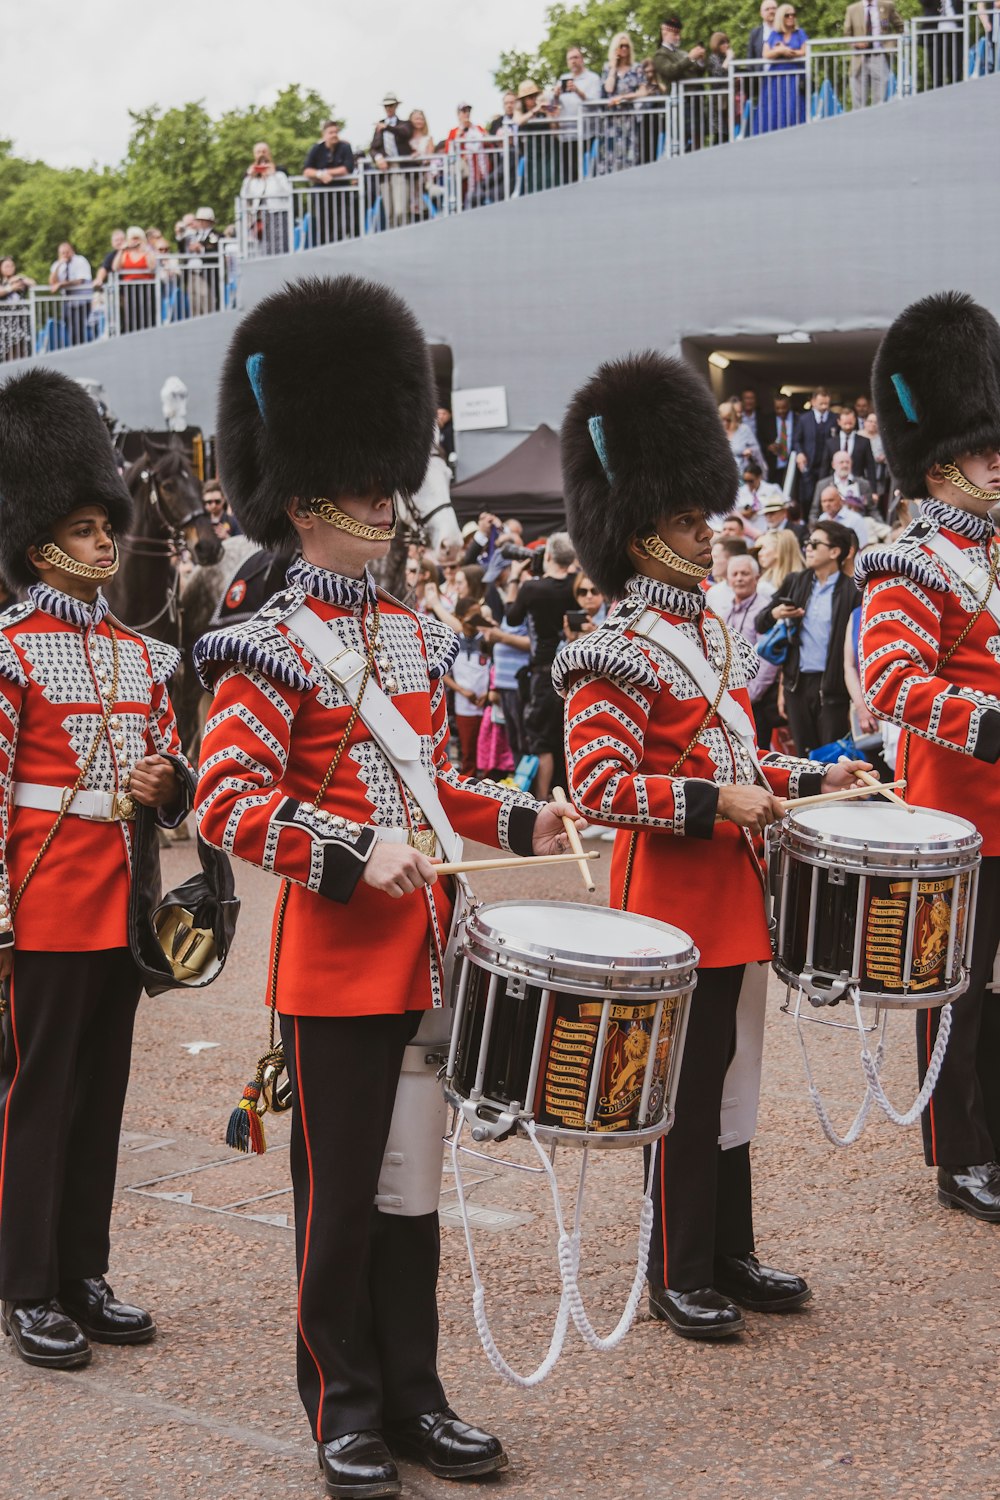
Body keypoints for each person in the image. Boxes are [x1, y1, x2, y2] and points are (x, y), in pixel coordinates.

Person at [194, 274, 579, 1498]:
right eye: (367, 490)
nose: (388, 504)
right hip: (335, 964)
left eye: (386, 481)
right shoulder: (265, 640)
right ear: (305, 503)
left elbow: (433, 790)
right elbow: (226, 800)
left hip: (426, 956)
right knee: (342, 1203)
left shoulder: (412, 635)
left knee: (415, 1194)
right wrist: (354, 854)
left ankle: (415, 1394)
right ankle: (341, 1406)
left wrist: (521, 811)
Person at [555, 350, 866, 1341]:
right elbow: (601, 787)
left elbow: (741, 758)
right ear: (641, 533)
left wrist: (813, 777)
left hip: (728, 892)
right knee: (681, 1088)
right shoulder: (616, 646)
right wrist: (716, 802)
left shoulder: (708, 634)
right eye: (691, 521)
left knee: (731, 1076)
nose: (709, 532)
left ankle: (727, 1249)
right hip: (671, 894)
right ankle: (674, 1266)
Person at [0, 369, 192, 1372]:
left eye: (104, 526)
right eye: (82, 530)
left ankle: (83, 1269)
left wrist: (169, 782)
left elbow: (174, 772)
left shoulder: (141, 655)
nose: (104, 542)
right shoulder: (11, 652)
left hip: (121, 901)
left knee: (101, 1095)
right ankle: (25, 1284)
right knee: (40, 1094)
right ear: (39, 546)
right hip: (42, 903)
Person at [859, 290, 1000, 1222]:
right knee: (959, 989)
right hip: (956, 809)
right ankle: (962, 1155)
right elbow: (893, 681)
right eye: (990, 451)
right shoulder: (912, 562)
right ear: (944, 463)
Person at [756, 518, 859, 754]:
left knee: (834, 757)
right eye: (807, 543)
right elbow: (761, 622)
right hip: (797, 686)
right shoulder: (796, 581)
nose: (808, 548)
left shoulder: (852, 590)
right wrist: (776, 612)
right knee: (805, 758)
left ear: (834, 551)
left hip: (834, 689)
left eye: (814, 544)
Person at [503, 532, 577, 798]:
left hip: (544, 675)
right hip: (574, 671)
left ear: (547, 556)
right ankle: (571, 797)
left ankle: (542, 802)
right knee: (566, 738)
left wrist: (514, 576)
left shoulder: (532, 588)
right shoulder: (578, 584)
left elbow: (511, 617)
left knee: (541, 740)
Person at [723, 554, 782, 747]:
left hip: (756, 701)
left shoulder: (764, 610)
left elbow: (768, 660)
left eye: (745, 573)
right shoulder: (726, 609)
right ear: (728, 579)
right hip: (732, 700)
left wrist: (748, 696)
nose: (739, 578)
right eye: (735, 574)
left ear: (757, 578)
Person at [443, 598, 491, 773]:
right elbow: (443, 675)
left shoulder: (486, 641)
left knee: (487, 750)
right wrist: (462, 691)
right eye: (473, 614)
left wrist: (487, 693)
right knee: (468, 751)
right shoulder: (453, 641)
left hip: (486, 704)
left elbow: (492, 668)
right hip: (464, 705)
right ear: (461, 617)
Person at [843, 0, 905, 108]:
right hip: (859, 59)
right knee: (858, 101)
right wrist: (856, 43)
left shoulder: (886, 6)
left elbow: (900, 26)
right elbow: (847, 35)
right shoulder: (852, 9)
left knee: (880, 100)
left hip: (879, 56)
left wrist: (891, 44)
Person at [303, 122, 357, 245]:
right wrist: (319, 175)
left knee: (343, 226)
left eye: (336, 132)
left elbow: (347, 168)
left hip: (342, 196)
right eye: (331, 132)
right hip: (321, 197)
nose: (334, 135)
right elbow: (307, 171)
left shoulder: (345, 147)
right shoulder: (316, 149)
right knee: (322, 227)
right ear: (324, 134)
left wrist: (326, 172)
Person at [239, 142, 293, 256]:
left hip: (278, 214)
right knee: (263, 247)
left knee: (280, 247)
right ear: (254, 155)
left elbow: (288, 192)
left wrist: (273, 175)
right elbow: (244, 195)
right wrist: (249, 176)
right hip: (260, 218)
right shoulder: (253, 179)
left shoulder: (280, 174)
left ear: (269, 154)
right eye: (258, 152)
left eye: (264, 151)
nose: (261, 155)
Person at [761, 5, 808, 131]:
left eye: (793, 14)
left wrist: (788, 51)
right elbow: (766, 54)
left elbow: (805, 51)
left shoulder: (800, 33)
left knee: (794, 108)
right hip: (776, 79)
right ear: (781, 17)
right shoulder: (774, 34)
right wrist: (780, 51)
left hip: (795, 78)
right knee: (774, 109)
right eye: (787, 15)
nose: (791, 17)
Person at [371, 93, 414, 228]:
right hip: (385, 171)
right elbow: (373, 148)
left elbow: (404, 134)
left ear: (396, 106)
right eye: (386, 106)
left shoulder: (404, 124)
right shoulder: (379, 127)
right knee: (389, 212)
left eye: (391, 105)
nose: (389, 108)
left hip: (399, 168)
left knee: (400, 211)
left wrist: (387, 127)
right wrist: (378, 158)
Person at [796, 387, 839, 504]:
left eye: (826, 403)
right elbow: (797, 440)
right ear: (813, 402)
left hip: (828, 466)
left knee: (826, 495)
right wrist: (799, 453)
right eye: (821, 403)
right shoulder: (803, 419)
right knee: (808, 496)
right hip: (809, 464)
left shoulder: (835, 419)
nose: (824, 406)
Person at [111, 226, 157, 334]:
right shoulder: (125, 254)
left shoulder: (147, 253)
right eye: (133, 238)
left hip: (146, 288)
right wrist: (122, 250)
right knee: (131, 317)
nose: (135, 241)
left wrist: (146, 250)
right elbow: (115, 267)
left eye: (137, 238)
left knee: (147, 316)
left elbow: (152, 267)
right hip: (129, 289)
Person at [822, 406, 878, 490]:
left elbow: (871, 468)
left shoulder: (864, 441)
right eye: (845, 422)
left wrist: (874, 490)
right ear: (839, 422)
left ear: (855, 420)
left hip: (858, 487)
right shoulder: (830, 443)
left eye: (850, 422)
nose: (848, 425)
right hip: (834, 487)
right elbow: (824, 468)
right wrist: (822, 489)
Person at [48, 241, 92, 347]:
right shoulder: (58, 264)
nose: (65, 255)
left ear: (72, 251)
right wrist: (59, 265)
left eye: (67, 252)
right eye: (62, 253)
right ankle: (74, 348)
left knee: (79, 327)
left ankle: (80, 349)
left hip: (82, 300)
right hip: (68, 302)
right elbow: (52, 282)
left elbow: (79, 281)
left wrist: (61, 285)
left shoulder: (80, 261)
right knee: (68, 326)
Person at [179, 209, 221, 316]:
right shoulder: (193, 235)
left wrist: (201, 249)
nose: (199, 223)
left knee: (207, 304)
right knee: (194, 305)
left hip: (205, 276)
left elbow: (217, 252)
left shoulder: (216, 235)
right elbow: (182, 249)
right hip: (191, 274)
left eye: (202, 220)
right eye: (198, 220)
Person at [811, 448, 873, 520]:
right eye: (841, 462)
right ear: (833, 465)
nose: (845, 465)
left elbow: (872, 510)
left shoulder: (863, 484)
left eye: (847, 462)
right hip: (832, 524)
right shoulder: (822, 485)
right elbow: (814, 512)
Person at [0, 257, 35, 360]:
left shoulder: (19, 279)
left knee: (23, 347)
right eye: (6, 266)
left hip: (21, 320)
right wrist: (11, 287)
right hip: (5, 322)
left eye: (11, 265)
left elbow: (33, 283)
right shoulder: (2, 282)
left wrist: (21, 278)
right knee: (7, 348)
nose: (9, 268)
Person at [818, 484, 869, 549]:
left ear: (840, 500)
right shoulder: (822, 519)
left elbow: (862, 546)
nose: (827, 504)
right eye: (824, 501)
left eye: (831, 500)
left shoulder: (855, 519)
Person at [719, 401, 765, 472]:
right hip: (723, 474)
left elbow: (757, 451)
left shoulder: (744, 429)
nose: (725, 423)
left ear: (734, 418)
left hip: (742, 474)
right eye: (722, 420)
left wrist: (750, 451)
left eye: (728, 420)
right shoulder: (717, 431)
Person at [756, 524, 806, 589]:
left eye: (764, 548)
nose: (760, 553)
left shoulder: (803, 582)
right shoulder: (763, 581)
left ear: (778, 551)